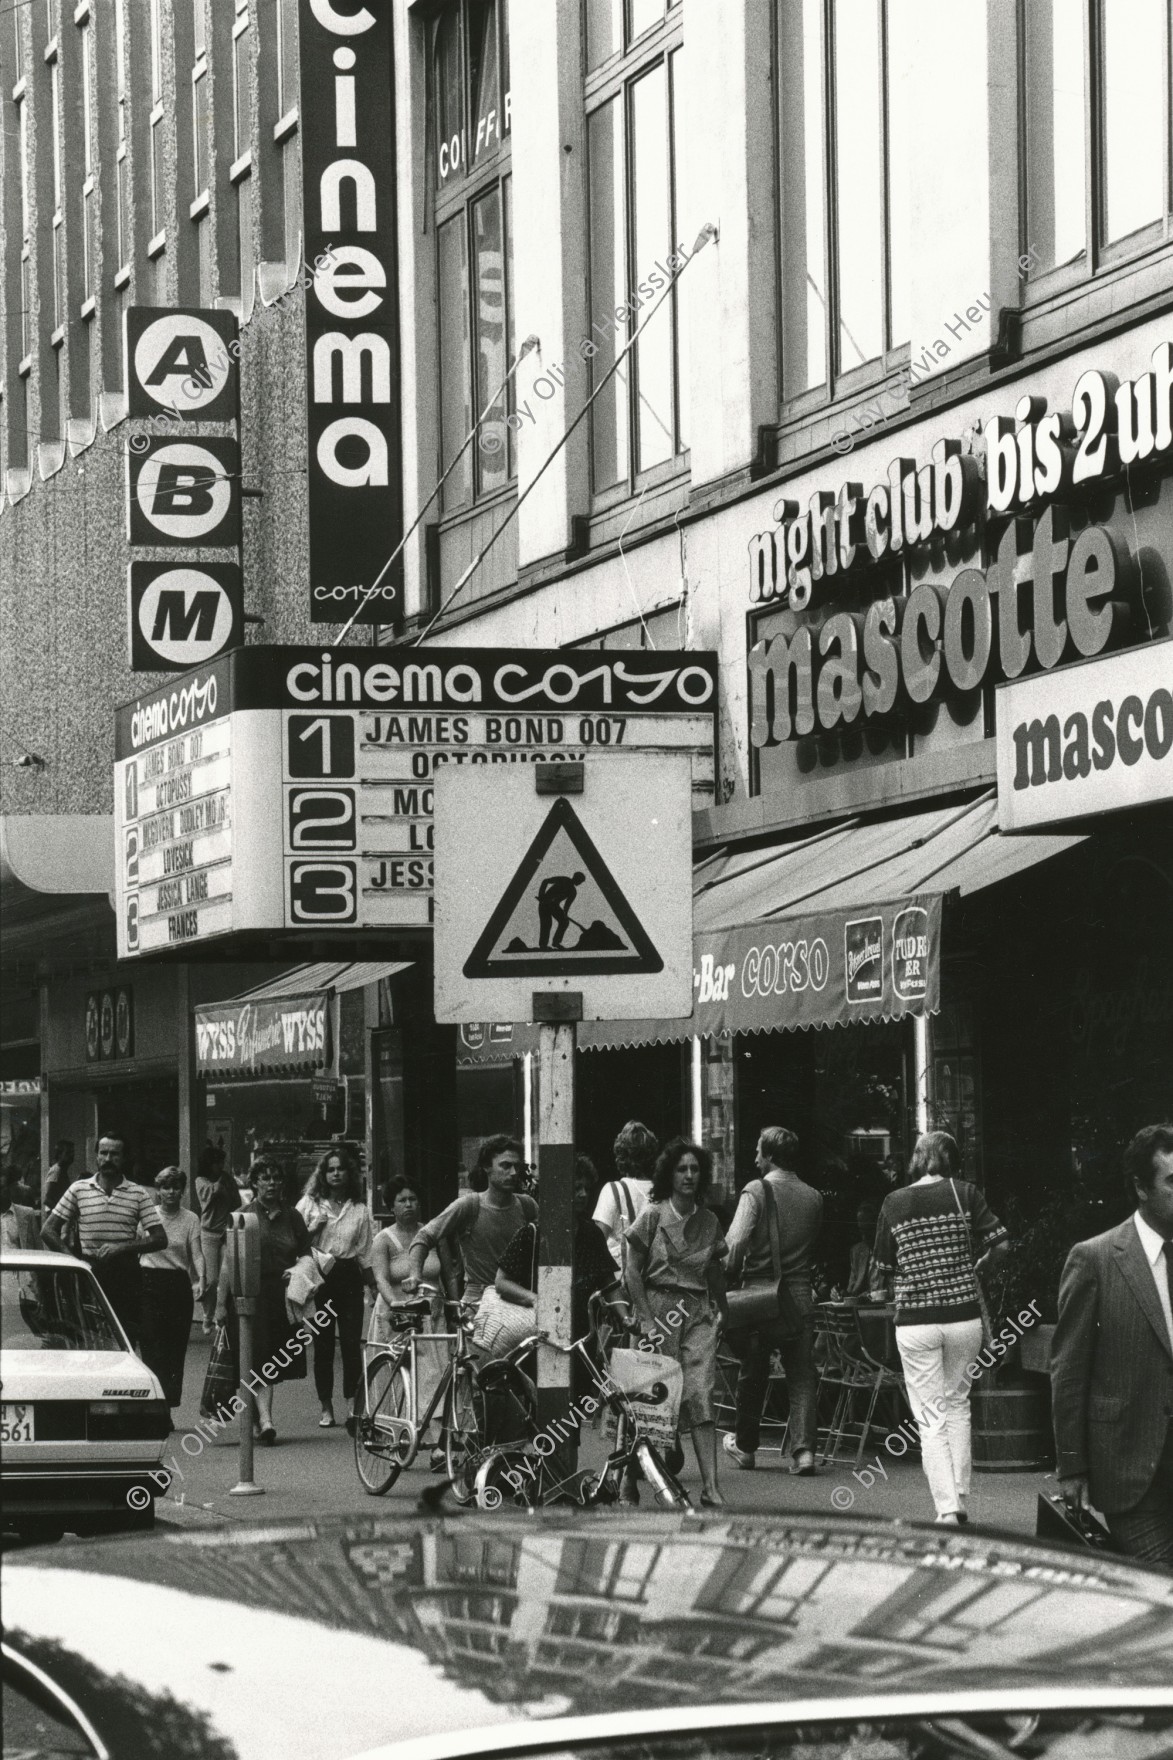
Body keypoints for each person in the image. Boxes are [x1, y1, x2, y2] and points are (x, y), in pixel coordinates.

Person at [871, 1130, 1008, 1525]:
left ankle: (947, 1507)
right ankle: (960, 1494)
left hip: (916, 1322)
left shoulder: (893, 1202)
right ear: (951, 1161)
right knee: (958, 1404)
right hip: (963, 1318)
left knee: (930, 1416)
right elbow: (1001, 1244)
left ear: (918, 1158)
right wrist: (980, 1264)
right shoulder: (965, 1193)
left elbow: (883, 1269)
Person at [1051, 1122, 1173, 1568]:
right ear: (1141, 1188)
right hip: (1129, 1471)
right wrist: (1073, 1468)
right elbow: (1068, 1371)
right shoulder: (1095, 1259)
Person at [624, 1138, 728, 1508]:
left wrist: (722, 1309)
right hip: (658, 1309)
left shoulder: (710, 1221)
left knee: (701, 1393)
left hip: (696, 1311)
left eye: (695, 1169)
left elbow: (715, 1270)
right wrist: (646, 1318)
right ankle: (628, 1479)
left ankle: (711, 1487)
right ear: (669, 1174)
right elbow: (631, 1271)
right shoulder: (653, 1215)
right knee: (650, 1399)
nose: (688, 1175)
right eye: (681, 1169)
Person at [723, 1126, 824, 1477]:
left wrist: (728, 1271)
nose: (754, 1158)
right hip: (799, 1296)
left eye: (757, 1151)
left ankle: (746, 1447)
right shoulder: (813, 1196)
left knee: (752, 1372)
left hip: (759, 1297)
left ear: (768, 1155)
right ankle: (804, 1451)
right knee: (801, 1375)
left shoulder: (757, 1190)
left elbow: (734, 1244)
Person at [214, 1157, 311, 1445]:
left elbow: (306, 1252)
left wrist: (298, 1271)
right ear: (254, 1182)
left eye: (276, 1179)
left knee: (269, 1359)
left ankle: (259, 1417)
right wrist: (220, 1304)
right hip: (247, 1294)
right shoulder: (242, 1215)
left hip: (279, 1297)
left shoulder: (292, 1216)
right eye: (265, 1178)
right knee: (255, 1358)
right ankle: (266, 1419)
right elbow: (227, 1265)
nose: (271, 1184)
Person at [42, 1132, 166, 1346]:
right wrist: (74, 1262)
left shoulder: (138, 1193)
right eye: (104, 1153)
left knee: (125, 1340)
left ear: (124, 1158)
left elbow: (159, 1238)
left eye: (115, 1154)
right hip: (90, 1274)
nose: (108, 1159)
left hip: (125, 1276)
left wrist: (122, 1247)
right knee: (89, 1337)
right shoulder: (79, 1189)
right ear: (97, 1156)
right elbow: (48, 1230)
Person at [496, 1155, 623, 1354]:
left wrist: (625, 1316)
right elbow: (502, 1282)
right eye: (576, 1188)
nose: (583, 1195)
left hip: (582, 1335)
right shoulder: (531, 1234)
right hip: (539, 1334)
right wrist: (535, 1299)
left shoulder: (592, 1234)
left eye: (587, 1189)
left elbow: (608, 1282)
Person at [404, 1136, 537, 1307]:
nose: (512, 1173)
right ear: (487, 1167)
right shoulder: (470, 1205)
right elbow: (424, 1236)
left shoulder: (527, 1206)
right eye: (505, 1165)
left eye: (516, 1166)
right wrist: (415, 1275)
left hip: (518, 1299)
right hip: (479, 1302)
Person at [297, 1147, 374, 1431]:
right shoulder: (309, 1203)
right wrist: (313, 1229)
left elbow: (365, 1251)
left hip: (349, 1277)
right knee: (324, 1345)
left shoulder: (360, 1208)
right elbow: (293, 1239)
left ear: (349, 1173)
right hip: (321, 1277)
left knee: (353, 1344)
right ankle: (325, 1406)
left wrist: (373, 1286)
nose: (336, 1173)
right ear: (323, 1174)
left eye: (340, 1168)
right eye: (330, 1169)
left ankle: (352, 1404)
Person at [140, 1167, 204, 1423]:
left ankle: (166, 1405)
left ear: (183, 1190)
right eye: (165, 1187)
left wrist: (201, 1278)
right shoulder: (148, 1216)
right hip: (148, 1283)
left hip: (177, 1285)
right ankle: (154, 1407)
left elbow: (196, 1253)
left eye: (176, 1187)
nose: (171, 1192)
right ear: (158, 1190)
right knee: (152, 1346)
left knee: (174, 1349)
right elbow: (136, 1247)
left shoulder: (191, 1219)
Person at [593, 1120, 659, 1276]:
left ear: (620, 1155)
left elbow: (596, 1245)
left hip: (621, 1288)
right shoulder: (663, 1191)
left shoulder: (613, 1191)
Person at [194, 1143, 241, 1335]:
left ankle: (223, 1316)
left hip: (227, 1232)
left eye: (222, 1162)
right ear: (208, 1164)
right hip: (209, 1234)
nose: (220, 1166)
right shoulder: (201, 1181)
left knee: (228, 1277)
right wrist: (225, 1181)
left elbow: (237, 1201)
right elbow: (213, 1193)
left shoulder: (227, 1179)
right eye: (216, 1163)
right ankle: (207, 1316)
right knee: (211, 1279)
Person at [2, 1164, 42, 1251]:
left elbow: (39, 1251)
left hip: (20, 1263)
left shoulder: (27, 1214)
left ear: (10, 1188)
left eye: (1, 1188)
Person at [847, 1201, 880, 1296]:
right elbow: (851, 1288)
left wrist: (870, 1295)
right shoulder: (856, 1251)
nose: (864, 1236)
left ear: (877, 1226)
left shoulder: (889, 1250)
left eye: (868, 1229)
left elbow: (893, 1289)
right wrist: (840, 1294)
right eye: (861, 1230)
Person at [42, 1139, 76, 1215]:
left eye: (73, 1152)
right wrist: (62, 1214)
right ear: (60, 1154)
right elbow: (48, 1200)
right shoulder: (56, 1170)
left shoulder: (62, 1171)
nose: (72, 1155)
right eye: (68, 1153)